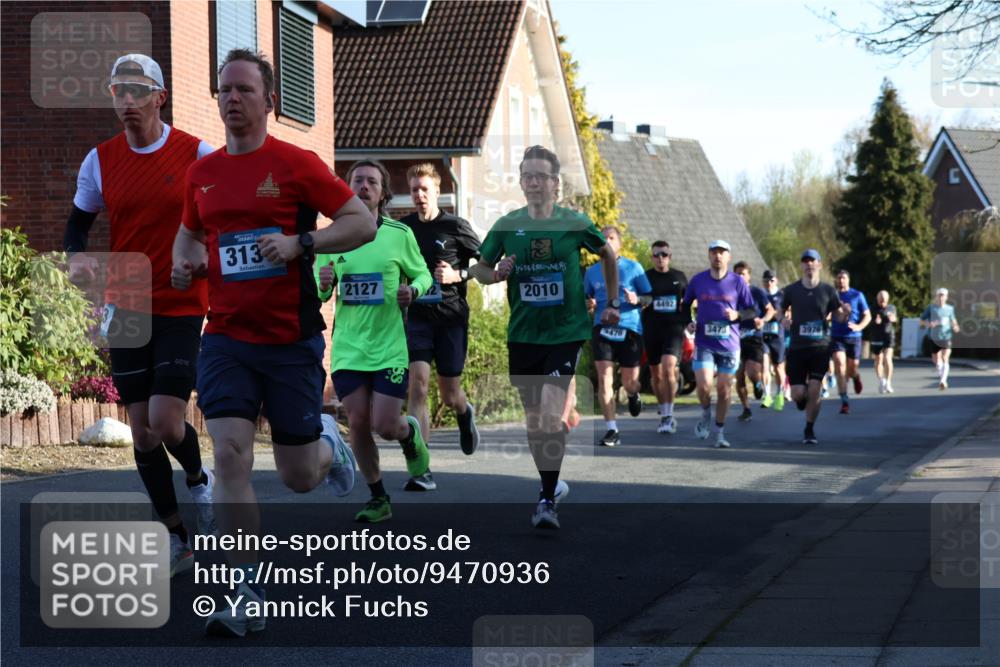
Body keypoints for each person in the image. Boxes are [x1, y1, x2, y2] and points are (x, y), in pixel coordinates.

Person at [171, 49, 374, 638]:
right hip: (226, 337)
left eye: (244, 89)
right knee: (230, 455)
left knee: (297, 476)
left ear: (269, 100)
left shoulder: (294, 162)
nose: (232, 98)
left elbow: (358, 220)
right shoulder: (200, 174)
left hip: (290, 341)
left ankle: (327, 442)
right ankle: (246, 589)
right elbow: (188, 237)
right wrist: (185, 266)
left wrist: (300, 244)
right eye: (224, 90)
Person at [64, 54, 216, 577]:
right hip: (125, 297)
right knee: (142, 431)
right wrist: (76, 254)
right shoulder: (100, 159)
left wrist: (200, 260)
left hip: (178, 299)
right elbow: (77, 225)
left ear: (159, 97)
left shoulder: (197, 153)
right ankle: (177, 537)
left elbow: (222, 222)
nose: (126, 101)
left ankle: (198, 477)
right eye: (117, 91)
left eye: (136, 90)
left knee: (166, 420)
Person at [470, 145, 619, 529]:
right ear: (521, 182)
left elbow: (608, 255)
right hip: (523, 335)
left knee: (551, 414)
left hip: (565, 333)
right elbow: (479, 270)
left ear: (555, 183)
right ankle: (550, 484)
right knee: (536, 423)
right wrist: (497, 272)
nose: (533, 182)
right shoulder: (507, 225)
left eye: (541, 176)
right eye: (527, 176)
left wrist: (612, 300)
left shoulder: (574, 222)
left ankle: (546, 500)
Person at [316, 159, 434, 520]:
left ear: (383, 193)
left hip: (388, 348)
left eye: (371, 181)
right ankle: (378, 496)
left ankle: (409, 433)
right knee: (359, 422)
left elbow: (424, 275)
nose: (363, 186)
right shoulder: (332, 235)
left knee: (385, 424)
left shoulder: (399, 234)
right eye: (357, 180)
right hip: (349, 348)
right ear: (347, 187)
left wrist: (412, 290)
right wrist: (322, 283)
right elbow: (319, 294)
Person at [400, 163, 481, 487]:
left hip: (450, 318)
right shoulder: (403, 229)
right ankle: (422, 467)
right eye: (414, 190)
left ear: (437, 191)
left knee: (450, 394)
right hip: (417, 318)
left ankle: (464, 413)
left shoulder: (455, 226)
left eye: (425, 190)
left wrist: (457, 275)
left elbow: (486, 264)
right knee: (417, 385)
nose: (419, 196)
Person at [683, 240, 757, 449]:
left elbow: (751, 311)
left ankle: (720, 432)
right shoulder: (698, 280)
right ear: (709, 255)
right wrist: (687, 321)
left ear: (728, 257)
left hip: (729, 345)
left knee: (724, 390)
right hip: (704, 343)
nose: (718, 256)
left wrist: (737, 314)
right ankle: (706, 412)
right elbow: (685, 304)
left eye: (722, 253)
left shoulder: (738, 282)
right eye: (714, 252)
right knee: (704, 386)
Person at [585, 226, 652, 447]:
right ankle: (611, 429)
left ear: (619, 243)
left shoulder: (634, 268)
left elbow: (649, 298)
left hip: (629, 328)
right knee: (605, 378)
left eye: (611, 238)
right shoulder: (591, 272)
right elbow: (586, 298)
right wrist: (589, 303)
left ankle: (633, 395)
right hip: (601, 328)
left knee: (630, 382)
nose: (607, 242)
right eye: (603, 239)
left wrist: (637, 300)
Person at [781, 249, 850, 445]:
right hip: (797, 348)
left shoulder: (828, 291)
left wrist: (845, 314)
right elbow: (780, 310)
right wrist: (782, 319)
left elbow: (837, 315)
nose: (809, 265)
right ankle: (801, 400)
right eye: (805, 262)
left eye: (812, 261)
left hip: (820, 347)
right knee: (797, 394)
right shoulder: (792, 290)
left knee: (815, 389)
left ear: (819, 265)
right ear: (801, 266)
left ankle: (809, 429)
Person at [641, 240, 688, 434]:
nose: (660, 258)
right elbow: (639, 299)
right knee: (656, 374)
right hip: (652, 329)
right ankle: (664, 410)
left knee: (669, 369)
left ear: (670, 256)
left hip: (674, 329)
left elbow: (687, 302)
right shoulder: (645, 277)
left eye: (664, 255)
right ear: (652, 257)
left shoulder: (679, 277)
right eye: (656, 255)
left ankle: (669, 415)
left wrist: (689, 321)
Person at [733, 262, 775, 422]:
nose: (740, 277)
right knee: (739, 376)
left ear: (749, 276)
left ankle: (758, 384)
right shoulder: (730, 292)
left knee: (751, 372)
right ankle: (746, 409)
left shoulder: (756, 291)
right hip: (735, 339)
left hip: (754, 337)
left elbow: (770, 310)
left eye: (743, 274)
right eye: (737, 274)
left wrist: (763, 320)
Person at [829, 270, 871, 414]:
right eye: (839, 278)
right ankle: (844, 400)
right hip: (837, 336)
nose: (841, 281)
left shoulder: (857, 295)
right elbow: (827, 314)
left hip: (854, 336)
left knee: (851, 368)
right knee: (840, 365)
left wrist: (859, 326)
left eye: (844, 278)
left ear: (848, 280)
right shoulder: (832, 295)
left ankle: (856, 376)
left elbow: (867, 316)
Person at [920, 287, 961, 390]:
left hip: (946, 337)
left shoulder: (950, 309)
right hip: (933, 337)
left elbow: (953, 320)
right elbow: (921, 321)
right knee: (937, 359)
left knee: (945, 358)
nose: (941, 297)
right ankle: (942, 378)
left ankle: (943, 380)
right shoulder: (931, 308)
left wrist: (955, 326)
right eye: (940, 295)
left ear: (946, 297)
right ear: (937, 296)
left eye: (943, 295)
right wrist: (929, 324)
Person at [759, 270, 787, 411]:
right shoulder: (760, 295)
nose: (769, 283)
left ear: (776, 280)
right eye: (766, 281)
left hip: (778, 337)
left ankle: (780, 394)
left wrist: (776, 314)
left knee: (778, 368)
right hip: (763, 336)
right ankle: (767, 395)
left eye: (771, 280)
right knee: (764, 366)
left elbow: (787, 312)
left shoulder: (782, 296)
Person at [870, 290, 897, 393]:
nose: (882, 303)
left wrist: (892, 318)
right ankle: (882, 380)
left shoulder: (891, 307)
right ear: (877, 299)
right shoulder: (873, 308)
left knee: (887, 358)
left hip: (889, 335)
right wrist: (875, 321)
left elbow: (894, 318)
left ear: (887, 299)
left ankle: (889, 383)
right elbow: (867, 320)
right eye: (880, 300)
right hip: (876, 336)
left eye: (884, 300)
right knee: (878, 360)